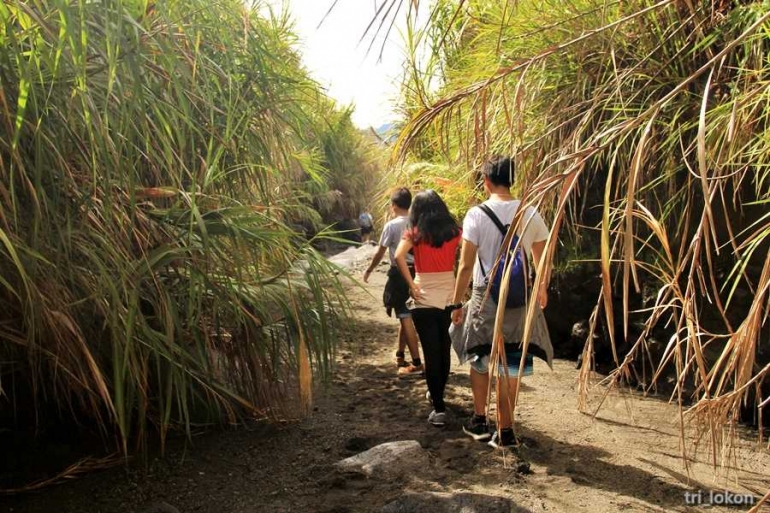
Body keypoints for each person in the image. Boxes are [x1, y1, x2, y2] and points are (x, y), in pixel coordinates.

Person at [449, 155, 553, 449]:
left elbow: (467, 265)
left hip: (485, 296)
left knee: (480, 358)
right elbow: (542, 257)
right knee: (511, 364)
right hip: (519, 297)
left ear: (486, 182)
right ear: (512, 179)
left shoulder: (476, 214)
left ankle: (480, 420)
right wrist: (542, 287)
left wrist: (457, 303)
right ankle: (506, 432)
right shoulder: (530, 212)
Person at [394, 190, 463, 426]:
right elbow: (469, 256)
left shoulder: (415, 233)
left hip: (423, 297)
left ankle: (439, 408)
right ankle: (437, 398)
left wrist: (411, 283)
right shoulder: (455, 232)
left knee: (431, 354)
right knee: (444, 351)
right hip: (449, 297)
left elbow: (398, 256)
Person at [363, 188, 424, 376]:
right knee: (405, 315)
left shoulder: (392, 225)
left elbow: (381, 252)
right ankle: (400, 354)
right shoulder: (418, 223)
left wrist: (369, 270)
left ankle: (416, 362)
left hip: (400, 274)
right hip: (418, 274)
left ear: (394, 206)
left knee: (405, 316)